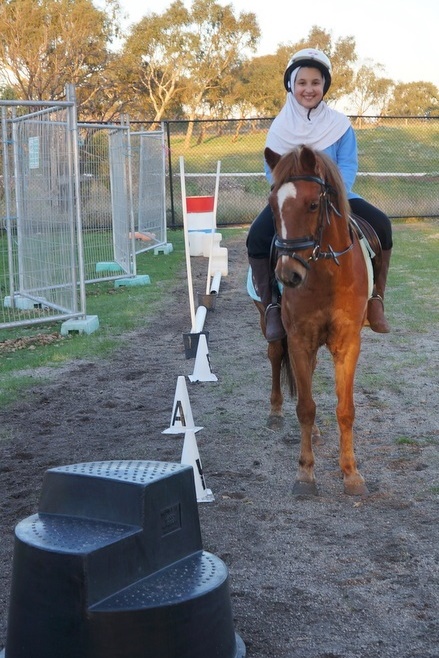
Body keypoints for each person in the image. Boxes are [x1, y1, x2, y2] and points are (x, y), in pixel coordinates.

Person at [246, 47, 393, 342]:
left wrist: (337, 192)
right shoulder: (279, 128)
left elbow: (348, 162)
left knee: (382, 225)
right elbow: (272, 168)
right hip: (294, 202)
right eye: (302, 83)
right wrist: (286, 195)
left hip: (339, 196)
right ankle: (272, 306)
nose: (308, 89)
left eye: (315, 82)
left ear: (324, 85)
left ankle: (375, 299)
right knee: (256, 238)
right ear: (291, 85)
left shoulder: (339, 125)